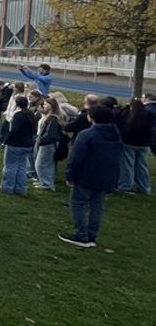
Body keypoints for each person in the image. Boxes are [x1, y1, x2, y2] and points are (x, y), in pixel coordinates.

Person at [59, 106, 122, 248]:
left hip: (86, 175)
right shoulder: (116, 134)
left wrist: (70, 175)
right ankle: (91, 234)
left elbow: (76, 158)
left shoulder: (87, 135)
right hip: (106, 176)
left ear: (92, 117)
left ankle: (82, 234)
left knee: (77, 203)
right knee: (97, 205)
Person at [0, 96, 38, 195]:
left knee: (10, 166)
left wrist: (7, 140)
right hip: (27, 144)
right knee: (22, 166)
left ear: (17, 104)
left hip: (16, 144)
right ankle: (20, 188)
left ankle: (8, 187)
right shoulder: (30, 114)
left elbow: (15, 130)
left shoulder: (18, 115)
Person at [115, 98, 152, 195]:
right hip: (144, 144)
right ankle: (144, 187)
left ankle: (126, 186)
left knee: (127, 165)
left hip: (129, 143)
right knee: (142, 166)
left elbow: (117, 115)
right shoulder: (148, 115)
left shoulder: (127, 115)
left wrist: (125, 108)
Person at [35, 97, 64, 191]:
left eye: (46, 104)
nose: (44, 105)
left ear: (51, 106)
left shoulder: (53, 119)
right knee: (47, 164)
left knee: (40, 164)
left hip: (48, 144)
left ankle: (46, 184)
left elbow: (50, 134)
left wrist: (41, 140)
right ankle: (44, 181)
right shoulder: (49, 116)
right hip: (49, 143)